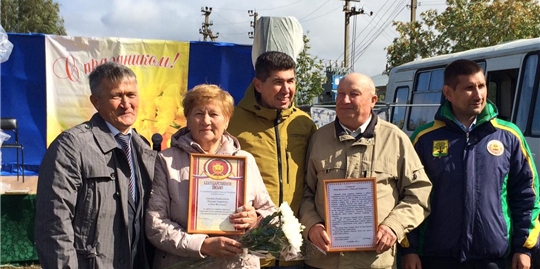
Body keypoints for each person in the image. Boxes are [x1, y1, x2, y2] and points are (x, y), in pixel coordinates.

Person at [400, 59, 540, 269]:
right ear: (448, 93)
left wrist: (524, 248)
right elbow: (407, 195)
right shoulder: (425, 138)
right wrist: (409, 249)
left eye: (481, 86)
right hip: (435, 257)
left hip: (493, 258)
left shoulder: (509, 136)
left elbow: (527, 195)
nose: (478, 95)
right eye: (468, 88)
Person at [300, 72, 432, 269]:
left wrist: (393, 227)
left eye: (354, 94)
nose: (344, 100)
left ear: (373, 100)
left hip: (375, 262)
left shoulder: (395, 139)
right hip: (324, 261)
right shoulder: (319, 139)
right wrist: (312, 225)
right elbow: (304, 192)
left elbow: (419, 193)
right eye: (340, 94)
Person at [35, 62, 157, 269]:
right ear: (95, 101)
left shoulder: (144, 148)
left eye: (131, 95)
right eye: (116, 96)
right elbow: (54, 224)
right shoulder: (71, 146)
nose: (126, 104)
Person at [145, 84, 276, 269]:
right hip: (184, 264)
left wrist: (255, 219)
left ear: (227, 120)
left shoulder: (246, 161)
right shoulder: (167, 161)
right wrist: (201, 245)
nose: (206, 121)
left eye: (214, 114)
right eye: (198, 114)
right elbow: (155, 224)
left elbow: (271, 213)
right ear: (188, 119)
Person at [228, 51, 317, 268]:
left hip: (294, 252)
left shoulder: (304, 123)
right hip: (249, 250)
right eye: (278, 82)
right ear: (258, 85)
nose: (286, 90)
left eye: (291, 81)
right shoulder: (232, 122)